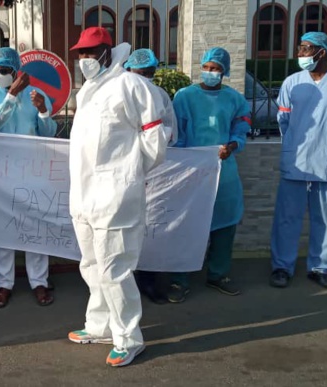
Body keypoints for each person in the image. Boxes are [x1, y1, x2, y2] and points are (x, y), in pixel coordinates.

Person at [66, 27, 170, 367]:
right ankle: (100, 326)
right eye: (80, 53)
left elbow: (155, 140)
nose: (84, 59)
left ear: (108, 52)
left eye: (90, 52)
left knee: (115, 270)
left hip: (116, 197)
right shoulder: (87, 93)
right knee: (92, 265)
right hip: (83, 196)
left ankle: (129, 338)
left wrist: (126, 174)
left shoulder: (132, 85)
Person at [269, 32, 327, 289]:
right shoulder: (291, 83)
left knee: (326, 217)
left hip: (326, 158)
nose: (301, 54)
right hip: (295, 157)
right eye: (300, 48)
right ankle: (281, 267)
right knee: (287, 216)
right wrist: (295, 143)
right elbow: (283, 120)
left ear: (322, 52)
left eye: (306, 49)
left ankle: (321, 267)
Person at [168, 47, 251, 303]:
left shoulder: (235, 99)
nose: (210, 72)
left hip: (223, 171)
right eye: (207, 67)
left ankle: (218, 274)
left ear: (224, 71)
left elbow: (241, 128)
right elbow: (177, 133)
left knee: (224, 224)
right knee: (188, 224)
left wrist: (233, 145)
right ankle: (179, 279)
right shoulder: (184, 97)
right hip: (192, 171)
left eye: (216, 68)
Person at [0, 47, 56, 308]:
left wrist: (44, 111)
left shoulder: (38, 94)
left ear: (16, 69)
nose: (0, 75)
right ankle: (4, 284)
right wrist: (11, 95)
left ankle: (39, 281)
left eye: (5, 70)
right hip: (1, 171)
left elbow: (49, 134)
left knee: (35, 225)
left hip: (32, 170)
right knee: (4, 228)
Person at [123, 48, 179, 305]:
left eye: (149, 73)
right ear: (128, 71)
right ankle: (122, 285)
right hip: (121, 173)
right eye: (139, 73)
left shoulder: (160, 96)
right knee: (122, 231)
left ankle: (150, 282)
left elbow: (171, 132)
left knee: (150, 228)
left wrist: (152, 139)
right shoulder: (115, 94)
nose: (144, 78)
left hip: (152, 171)